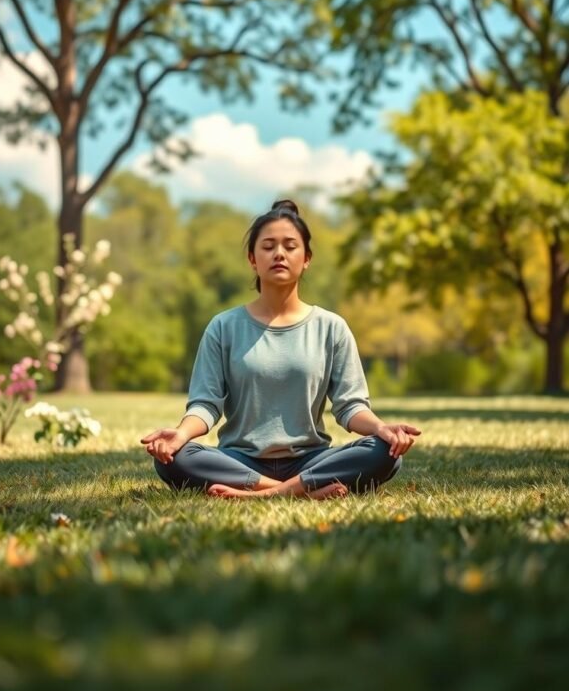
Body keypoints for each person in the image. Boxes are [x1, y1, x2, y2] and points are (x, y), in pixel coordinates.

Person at [141, 199, 421, 500]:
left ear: (307, 258)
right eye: (268, 246)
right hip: (239, 460)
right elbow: (206, 405)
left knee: (384, 452)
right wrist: (180, 435)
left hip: (311, 459)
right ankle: (295, 491)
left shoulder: (331, 327)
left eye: (290, 246)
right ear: (252, 258)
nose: (279, 254)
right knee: (174, 457)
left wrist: (382, 429)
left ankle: (265, 492)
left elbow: (350, 406)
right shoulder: (223, 327)